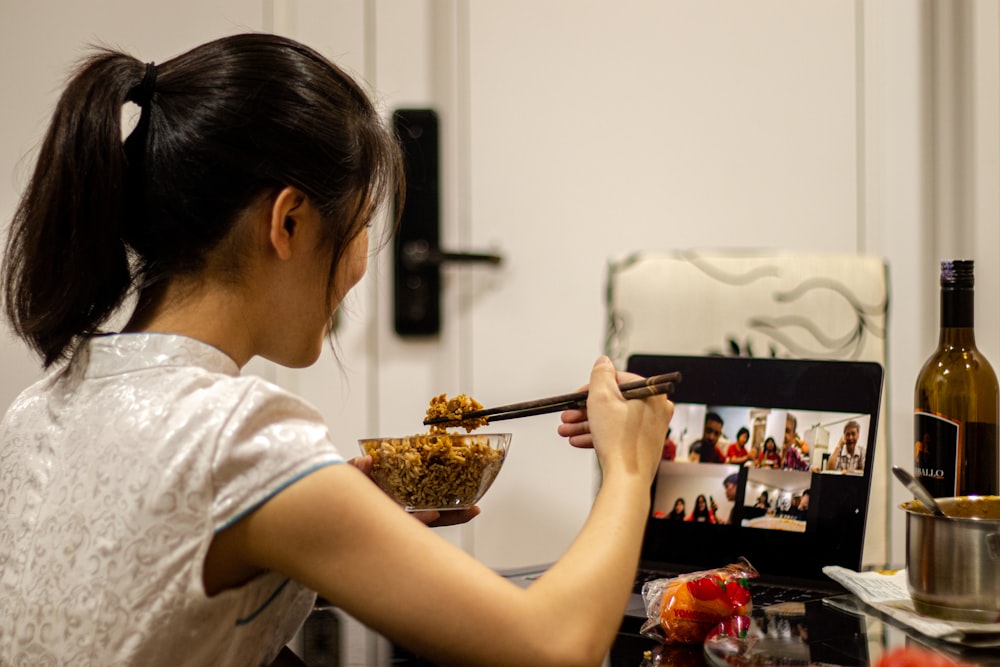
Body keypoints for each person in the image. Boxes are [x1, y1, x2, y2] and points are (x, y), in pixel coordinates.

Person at [0, 35, 674, 667]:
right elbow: (553, 646)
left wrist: (325, 513)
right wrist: (630, 470)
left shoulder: (36, 410)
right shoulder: (239, 437)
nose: (357, 269)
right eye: (357, 229)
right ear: (288, 221)